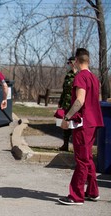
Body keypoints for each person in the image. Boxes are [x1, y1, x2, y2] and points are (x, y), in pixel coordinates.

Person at [58, 48, 103, 205]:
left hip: (83, 124)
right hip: (93, 122)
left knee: (82, 160)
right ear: (88, 60)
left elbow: (80, 100)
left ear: (76, 60)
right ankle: (92, 191)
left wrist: (67, 117)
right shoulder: (94, 78)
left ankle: (76, 196)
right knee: (88, 158)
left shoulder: (81, 77)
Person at [58, 56, 77, 151]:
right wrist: (60, 102)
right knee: (66, 124)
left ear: (74, 62)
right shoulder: (68, 75)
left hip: (76, 105)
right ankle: (65, 145)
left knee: (76, 125)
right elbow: (64, 90)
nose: (68, 65)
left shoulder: (80, 75)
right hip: (66, 103)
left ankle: (76, 146)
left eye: (69, 63)